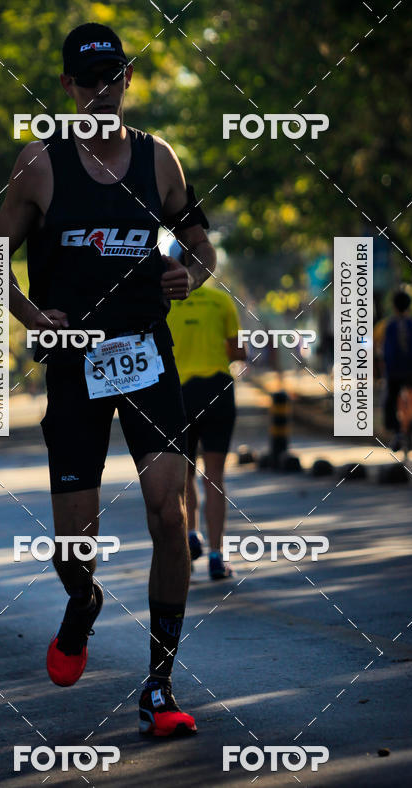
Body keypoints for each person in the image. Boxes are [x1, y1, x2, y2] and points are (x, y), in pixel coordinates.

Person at [0, 22, 216, 737]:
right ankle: (82, 604)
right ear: (67, 88)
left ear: (126, 79)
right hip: (75, 368)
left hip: (148, 358)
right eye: (87, 80)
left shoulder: (161, 162)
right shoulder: (40, 168)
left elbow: (200, 239)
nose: (101, 91)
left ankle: (159, 687)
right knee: (73, 550)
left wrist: (192, 270)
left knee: (167, 510)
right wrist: (36, 319)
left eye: (112, 76)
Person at [166, 241, 246, 580]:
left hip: (177, 395)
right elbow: (238, 353)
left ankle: (190, 537)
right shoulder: (221, 300)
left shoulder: (164, 304)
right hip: (216, 390)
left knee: (183, 475)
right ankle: (216, 556)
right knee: (215, 476)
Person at [379, 290, 412, 451]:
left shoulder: (384, 326)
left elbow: (376, 349)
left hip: (394, 372)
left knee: (390, 401)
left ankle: (396, 432)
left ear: (393, 306)